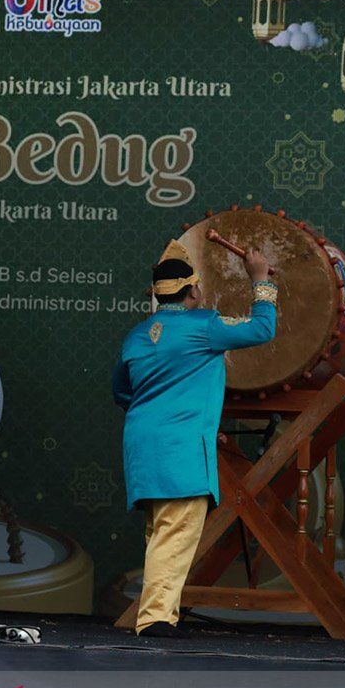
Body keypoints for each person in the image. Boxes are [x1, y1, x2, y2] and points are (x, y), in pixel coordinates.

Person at [113, 239, 277, 638]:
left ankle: (155, 614)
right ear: (192, 293)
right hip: (179, 448)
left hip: (142, 444)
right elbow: (263, 327)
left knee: (160, 532)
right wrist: (260, 279)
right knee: (175, 532)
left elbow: (122, 391)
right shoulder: (204, 326)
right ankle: (154, 620)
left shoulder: (136, 336)